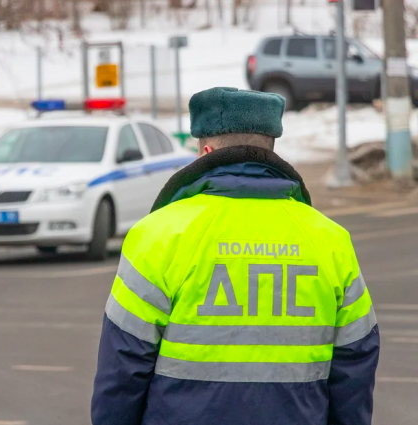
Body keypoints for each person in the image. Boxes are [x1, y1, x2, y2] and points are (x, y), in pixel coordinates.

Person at [91, 87, 379, 425]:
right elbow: (356, 363)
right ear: (270, 149)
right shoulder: (331, 241)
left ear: (206, 151)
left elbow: (122, 367)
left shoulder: (157, 235)